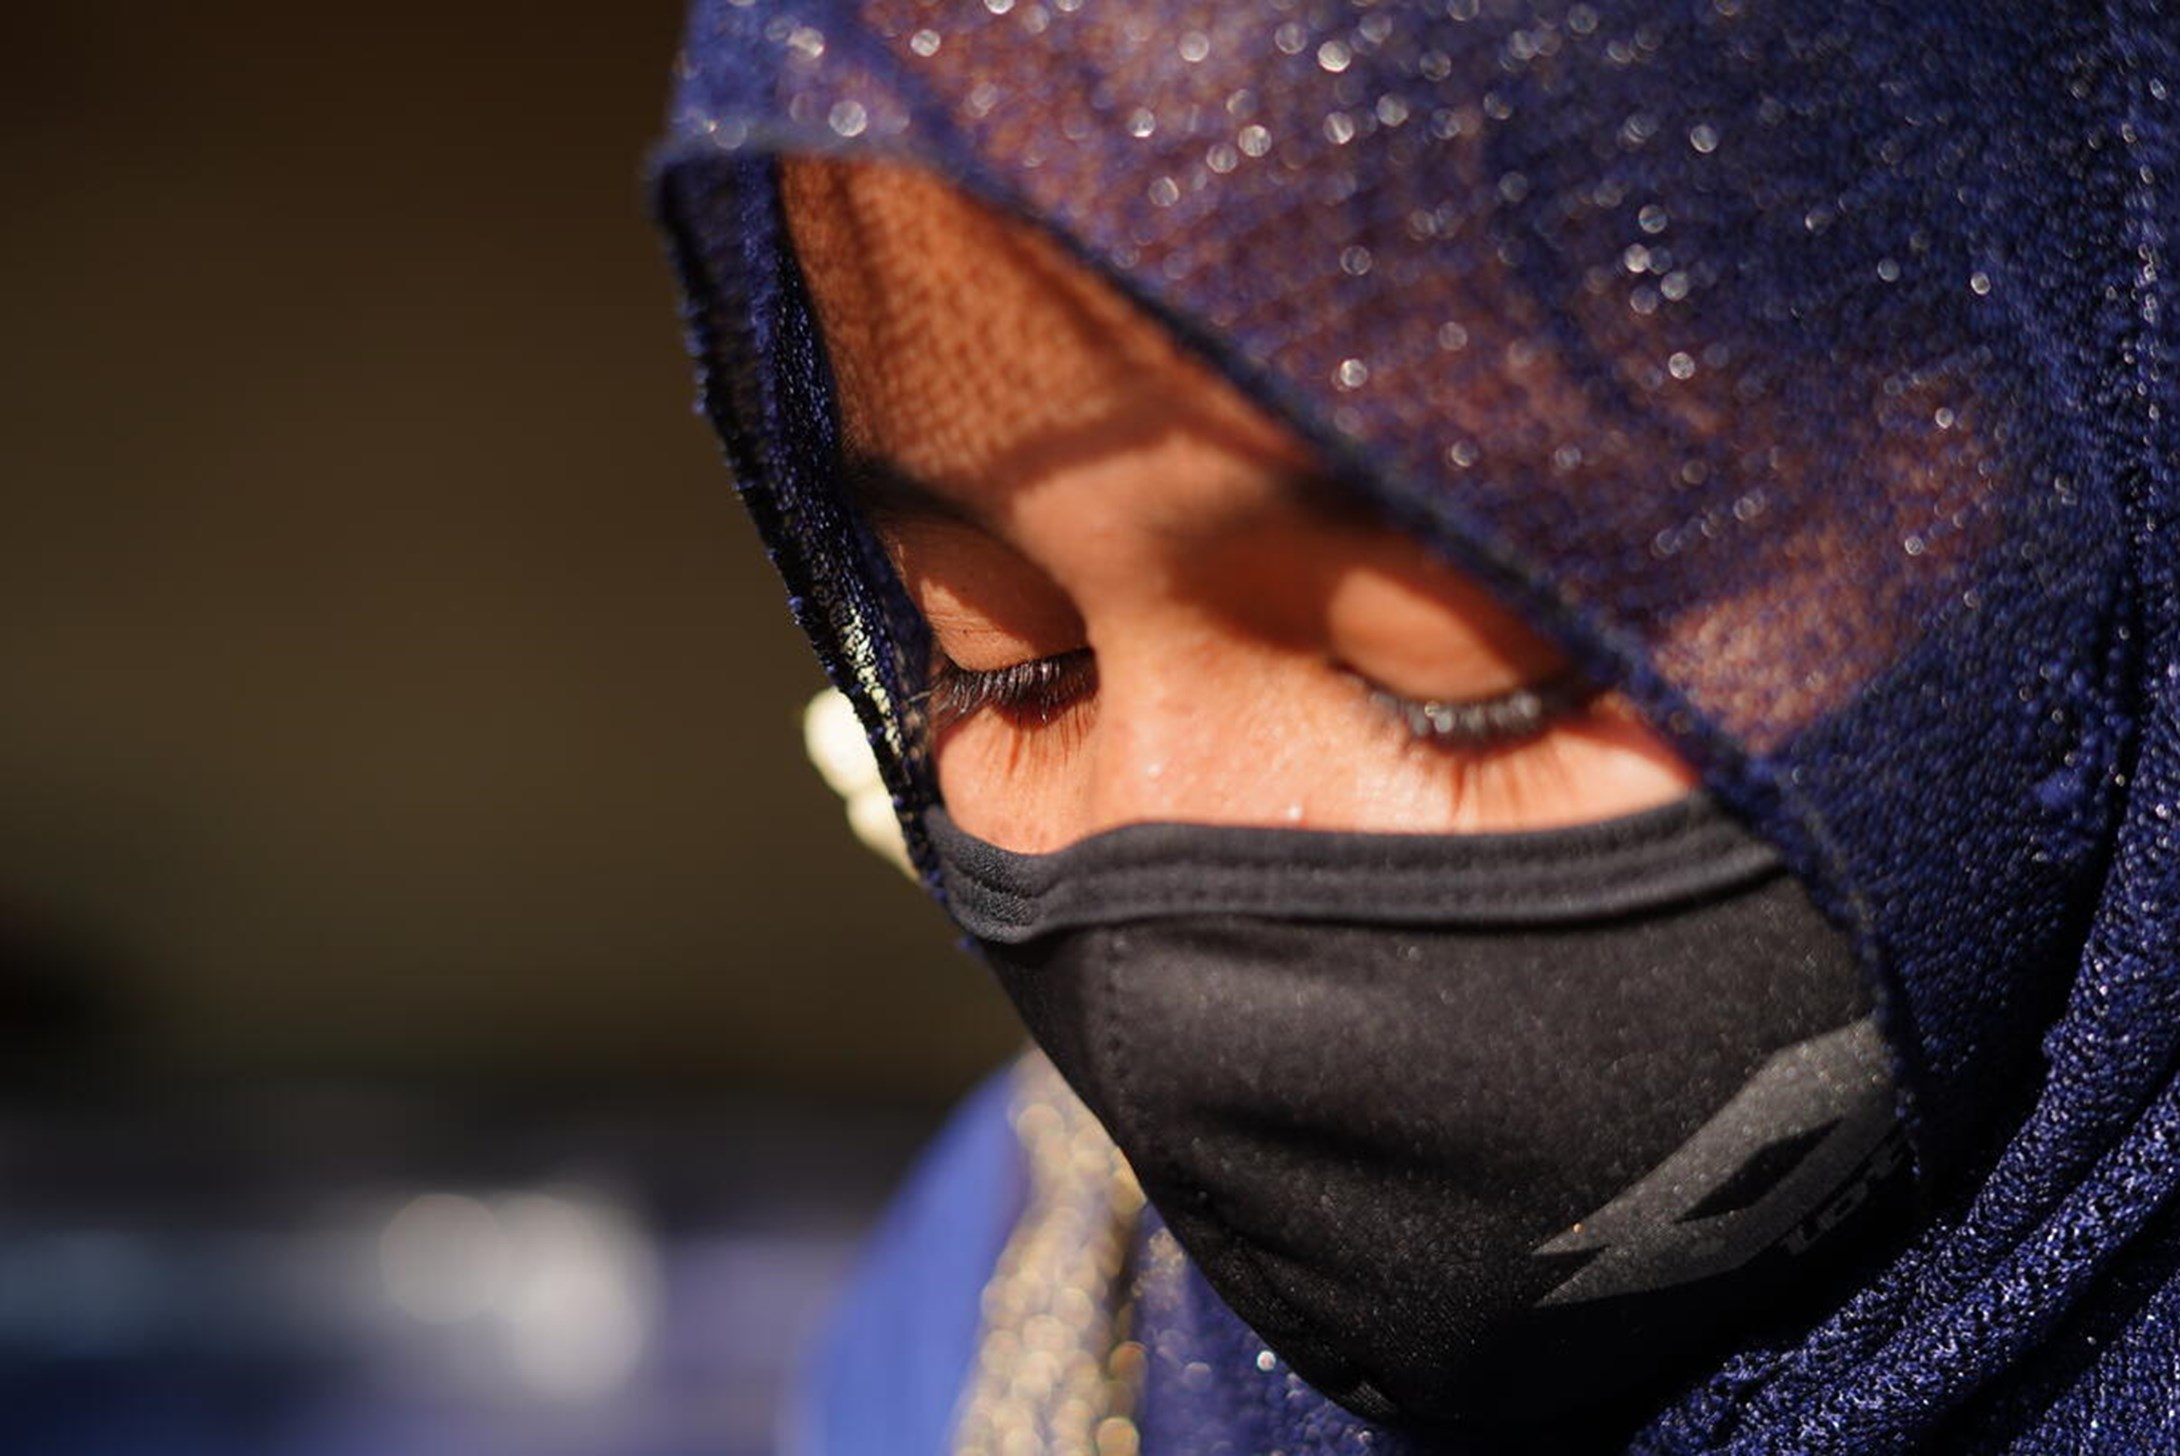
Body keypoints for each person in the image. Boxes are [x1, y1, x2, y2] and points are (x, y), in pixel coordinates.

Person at [654, 1, 2180, 1450]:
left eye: (1466, 667)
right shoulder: (1000, 1311)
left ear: (2066, 443)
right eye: (1002, 658)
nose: (1155, 886)